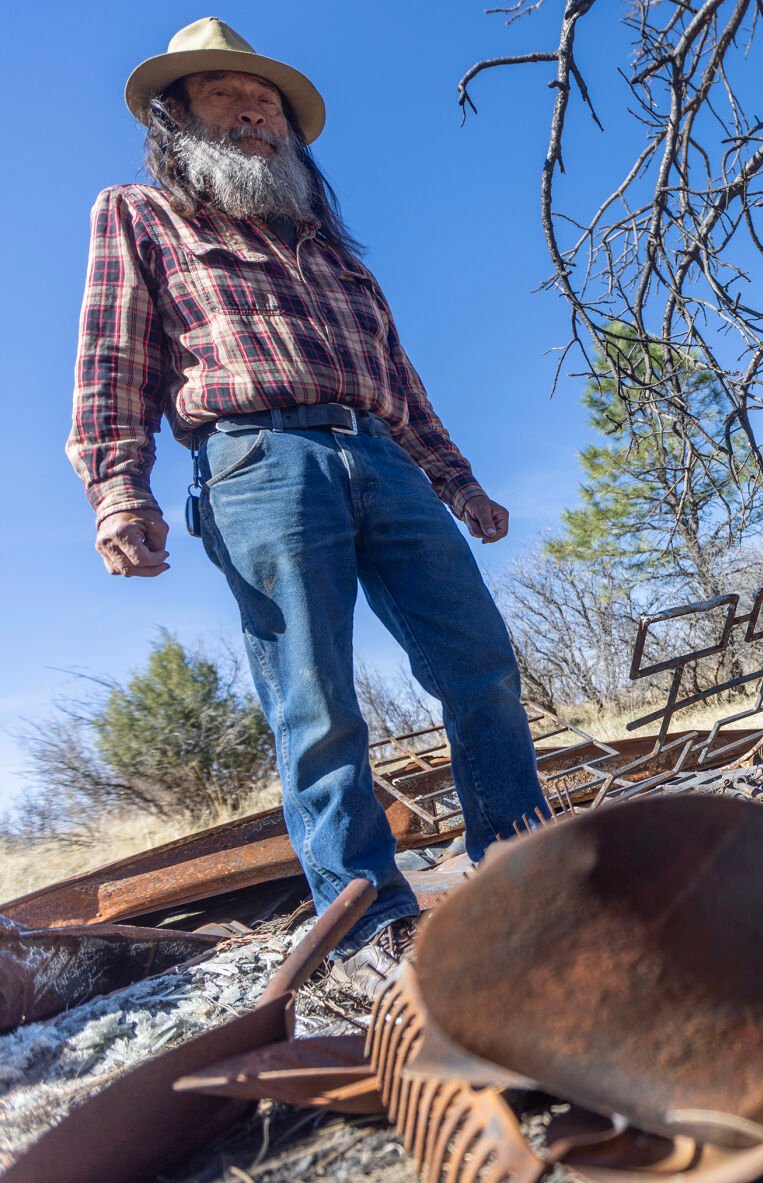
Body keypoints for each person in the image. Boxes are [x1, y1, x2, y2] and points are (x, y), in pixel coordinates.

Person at [69, 18, 551, 994]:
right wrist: (119, 489)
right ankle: (371, 924)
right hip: (256, 461)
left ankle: (523, 870)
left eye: (268, 101)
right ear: (177, 117)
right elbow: (112, 362)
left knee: (480, 662)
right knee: (316, 704)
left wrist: (457, 484)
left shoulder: (333, 252)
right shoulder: (139, 212)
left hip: (382, 457)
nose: (255, 111)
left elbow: (400, 384)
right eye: (224, 95)